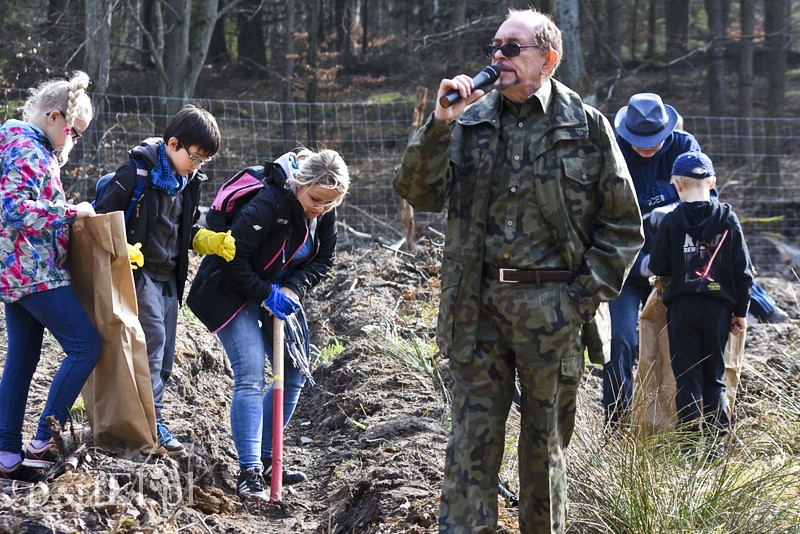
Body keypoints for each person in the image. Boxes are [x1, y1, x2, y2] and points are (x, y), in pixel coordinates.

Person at [393, 8, 643, 533]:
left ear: (548, 59)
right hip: (476, 310)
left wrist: (577, 300)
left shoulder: (586, 126)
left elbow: (623, 227)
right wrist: (440, 124)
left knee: (544, 451)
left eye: (512, 48)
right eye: (495, 47)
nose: (498, 58)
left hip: (551, 314)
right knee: (469, 449)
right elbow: (417, 191)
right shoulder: (467, 121)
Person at [606, 93, 786, 427]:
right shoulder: (611, 149)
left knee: (691, 359)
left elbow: (708, 205)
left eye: (655, 140)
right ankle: (616, 421)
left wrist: (671, 212)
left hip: (680, 269)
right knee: (620, 342)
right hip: (627, 262)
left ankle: (681, 426)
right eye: (639, 142)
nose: (647, 147)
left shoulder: (685, 146)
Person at [187, 148, 350, 502]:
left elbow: (324, 259)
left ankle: (266, 457)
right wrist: (265, 294)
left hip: (277, 288)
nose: (320, 208)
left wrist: (293, 287)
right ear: (301, 183)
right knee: (250, 372)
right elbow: (233, 258)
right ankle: (248, 472)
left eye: (330, 203)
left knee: (293, 372)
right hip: (230, 289)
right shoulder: (269, 203)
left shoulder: (323, 212)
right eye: (317, 199)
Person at [94, 105, 232, 456]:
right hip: (139, 274)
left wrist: (207, 241)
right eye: (195, 157)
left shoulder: (189, 182)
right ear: (173, 143)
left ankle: (153, 417)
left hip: (170, 278)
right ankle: (147, 425)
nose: (197, 166)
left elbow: (184, 231)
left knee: (166, 353)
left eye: (203, 161)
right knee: (152, 344)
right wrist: (122, 248)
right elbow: (99, 220)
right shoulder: (137, 172)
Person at [0, 71, 101, 482]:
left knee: (23, 356)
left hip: (20, 270)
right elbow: (12, 208)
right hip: (30, 271)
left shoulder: (29, 145)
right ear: (55, 117)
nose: (73, 143)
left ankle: (7, 456)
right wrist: (69, 212)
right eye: (74, 133)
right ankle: (45, 439)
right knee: (85, 344)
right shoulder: (27, 148)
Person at [648, 151, 753, 455]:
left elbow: (658, 265)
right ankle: (716, 445)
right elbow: (742, 270)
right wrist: (740, 311)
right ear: (712, 182)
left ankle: (689, 446)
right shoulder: (728, 218)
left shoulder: (671, 220)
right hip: (719, 309)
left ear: (676, 185)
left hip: (683, 309)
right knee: (714, 375)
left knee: (687, 377)